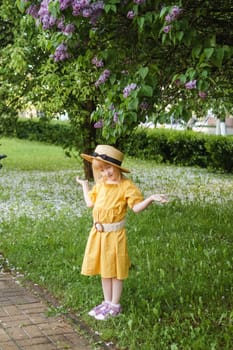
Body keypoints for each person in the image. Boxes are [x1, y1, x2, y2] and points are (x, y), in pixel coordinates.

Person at [76, 145, 168, 320]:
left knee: (116, 270)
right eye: (101, 170)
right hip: (98, 234)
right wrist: (84, 185)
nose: (106, 173)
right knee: (105, 269)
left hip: (115, 235)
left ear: (117, 166)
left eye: (108, 167)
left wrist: (150, 199)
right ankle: (107, 302)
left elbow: (136, 208)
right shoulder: (101, 184)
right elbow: (90, 203)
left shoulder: (126, 186)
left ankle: (115, 305)